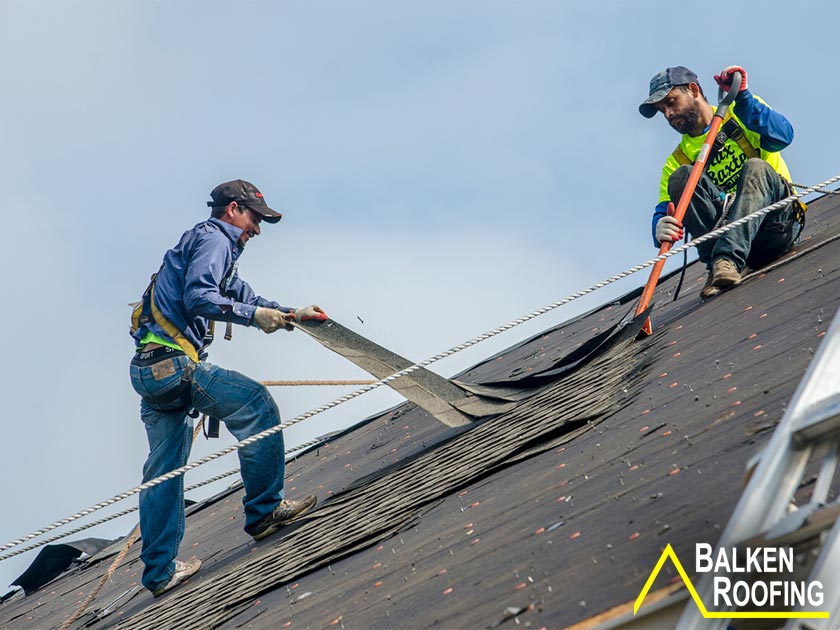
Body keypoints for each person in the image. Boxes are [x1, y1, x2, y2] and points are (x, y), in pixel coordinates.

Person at [129, 179, 325, 596]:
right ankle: (265, 512)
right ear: (233, 209)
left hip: (150, 373)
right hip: (175, 365)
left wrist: (290, 314)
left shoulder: (211, 248)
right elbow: (201, 298)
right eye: (255, 218)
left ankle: (160, 573)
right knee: (255, 404)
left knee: (164, 472)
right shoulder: (214, 239)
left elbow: (240, 294)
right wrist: (255, 318)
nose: (257, 229)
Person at [639, 65, 802, 299]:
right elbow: (666, 212)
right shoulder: (677, 160)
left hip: (776, 227)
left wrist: (743, 98)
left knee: (755, 167)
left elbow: (782, 137)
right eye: (662, 109)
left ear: (693, 90)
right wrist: (659, 228)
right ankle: (720, 263)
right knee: (682, 177)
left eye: (671, 102)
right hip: (727, 247)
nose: (668, 114)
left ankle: (727, 260)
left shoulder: (738, 112)